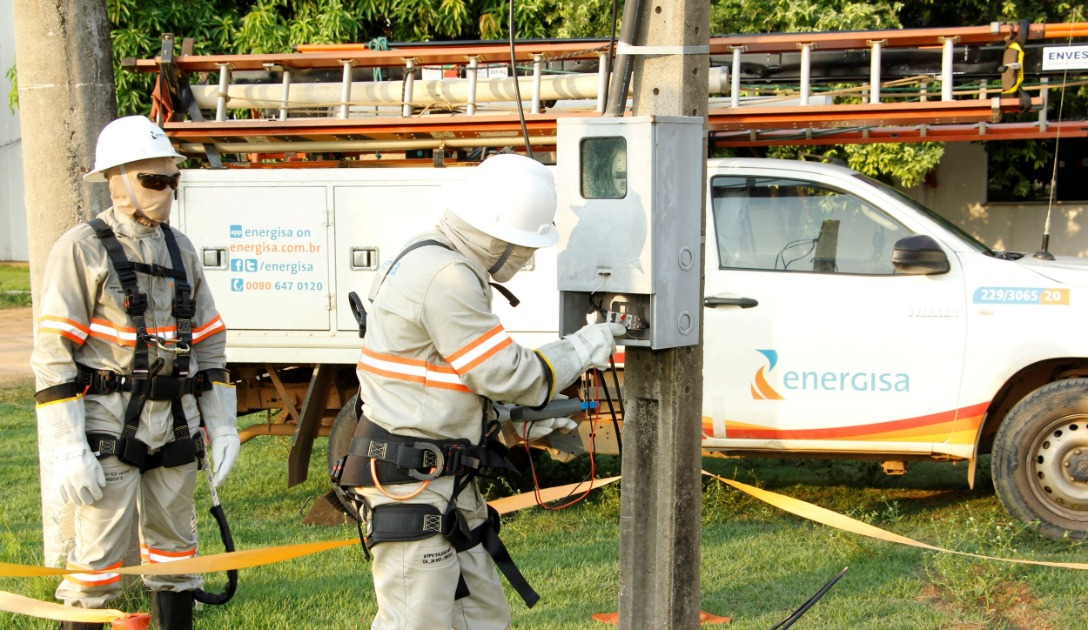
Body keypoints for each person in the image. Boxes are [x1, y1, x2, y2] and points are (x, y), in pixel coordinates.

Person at [336, 153, 625, 629]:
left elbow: (444, 376)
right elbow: (506, 373)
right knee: (417, 622)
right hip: (414, 482)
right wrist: (579, 349)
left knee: (482, 617)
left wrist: (507, 418)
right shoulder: (445, 275)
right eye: (525, 245)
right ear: (498, 237)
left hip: (443, 478)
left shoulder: (433, 256)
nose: (528, 257)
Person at [30, 115, 239, 630]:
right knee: (98, 561)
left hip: (177, 421)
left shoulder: (180, 248)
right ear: (117, 180)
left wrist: (223, 423)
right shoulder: (81, 248)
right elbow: (53, 353)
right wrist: (67, 447)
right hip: (110, 420)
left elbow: (209, 342)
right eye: (154, 179)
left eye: (173, 179)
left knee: (176, 557)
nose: (167, 191)